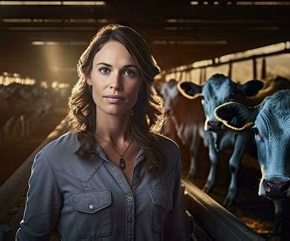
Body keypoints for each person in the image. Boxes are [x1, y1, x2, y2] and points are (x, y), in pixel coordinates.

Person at [15, 24, 188, 240]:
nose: (115, 84)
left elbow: (176, 235)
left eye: (129, 72)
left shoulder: (168, 153)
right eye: (105, 70)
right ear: (88, 77)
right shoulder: (54, 159)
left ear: (143, 82)